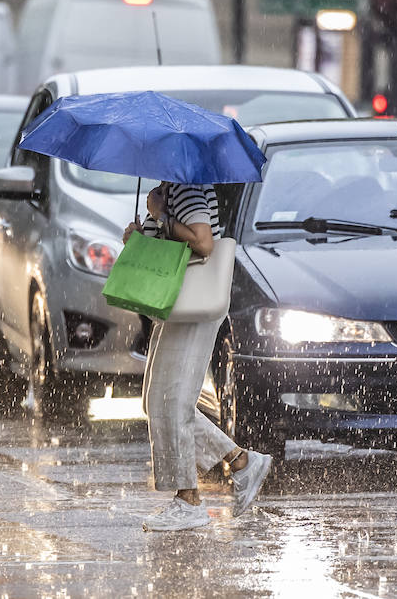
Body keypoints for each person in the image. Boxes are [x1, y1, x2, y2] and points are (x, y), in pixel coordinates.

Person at [123, 181, 273, 531]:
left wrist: (161, 216)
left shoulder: (187, 189)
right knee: (156, 401)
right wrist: (139, 235)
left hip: (192, 305)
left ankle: (188, 501)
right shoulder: (168, 189)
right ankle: (241, 462)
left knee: (173, 402)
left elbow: (203, 243)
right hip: (175, 304)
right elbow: (168, 247)